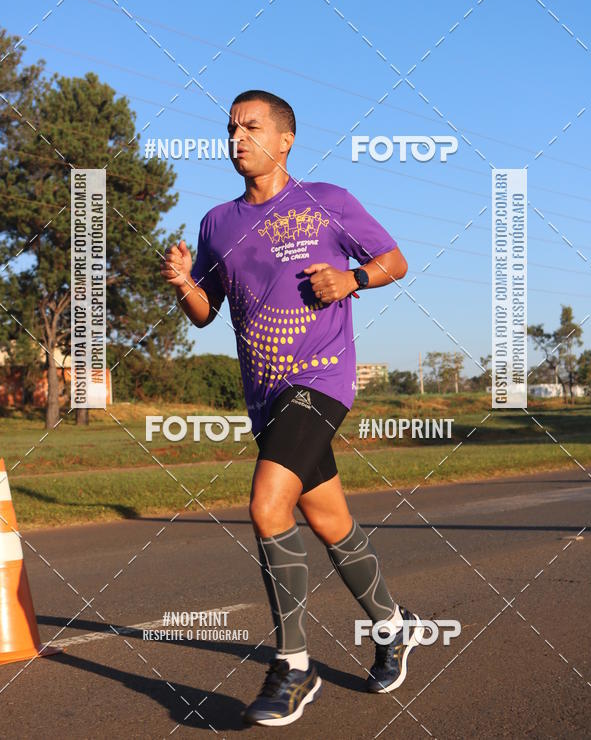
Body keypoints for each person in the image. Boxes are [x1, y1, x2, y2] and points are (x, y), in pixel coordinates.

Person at [160, 89, 424, 727]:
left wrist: (353, 278)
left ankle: (294, 666)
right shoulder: (217, 223)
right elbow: (205, 314)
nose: (237, 139)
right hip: (265, 394)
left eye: (251, 127)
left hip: (322, 379)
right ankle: (394, 626)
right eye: (231, 129)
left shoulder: (328, 201)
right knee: (328, 518)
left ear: (285, 139)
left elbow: (395, 261)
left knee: (266, 504)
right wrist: (184, 284)